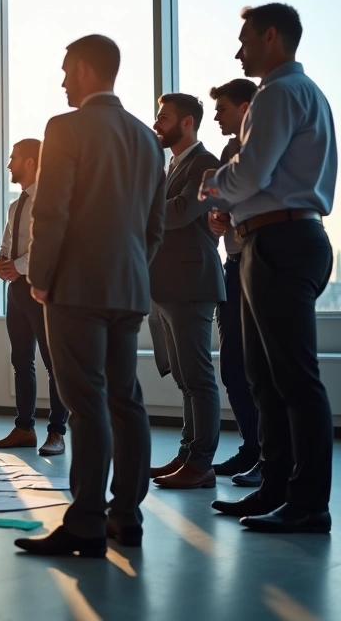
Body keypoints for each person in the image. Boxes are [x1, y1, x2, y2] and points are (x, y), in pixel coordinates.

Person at [15, 35, 165, 557]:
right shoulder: (148, 140)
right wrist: (130, 271)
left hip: (74, 286)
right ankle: (127, 516)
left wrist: (39, 275)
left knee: (86, 403)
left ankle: (84, 522)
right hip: (129, 287)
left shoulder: (65, 127)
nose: (61, 82)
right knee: (127, 402)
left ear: (81, 69)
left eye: (64, 70)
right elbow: (155, 226)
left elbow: (51, 211)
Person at [202, 4, 335, 534]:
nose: (239, 51)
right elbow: (265, 177)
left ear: (272, 37)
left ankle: (307, 503)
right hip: (279, 236)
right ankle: (276, 489)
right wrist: (233, 204)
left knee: (294, 381)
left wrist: (215, 183)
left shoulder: (277, 93)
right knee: (266, 377)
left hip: (280, 240)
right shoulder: (305, 94)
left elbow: (252, 170)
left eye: (246, 40)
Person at [148, 93, 224, 490]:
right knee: (182, 378)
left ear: (188, 122)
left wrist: (145, 204)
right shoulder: (171, 166)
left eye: (164, 117)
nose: (157, 123)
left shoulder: (207, 164)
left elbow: (179, 212)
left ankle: (201, 464)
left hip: (192, 282)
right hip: (166, 285)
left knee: (198, 377)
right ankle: (187, 454)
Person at [0, 139, 67, 456]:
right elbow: (7, 242)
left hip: (45, 287)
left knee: (55, 364)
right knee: (20, 361)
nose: (9, 165)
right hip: (17, 291)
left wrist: (17, 266)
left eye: (14, 158)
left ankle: (57, 433)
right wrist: (1, 262)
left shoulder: (50, 200)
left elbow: (52, 245)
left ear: (31, 162)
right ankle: (24, 429)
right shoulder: (15, 205)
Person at [206, 78, 262, 487]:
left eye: (222, 109)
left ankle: (273, 456)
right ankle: (253, 448)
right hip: (234, 262)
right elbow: (219, 203)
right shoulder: (228, 151)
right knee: (232, 367)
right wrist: (219, 216)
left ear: (245, 107)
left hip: (260, 258)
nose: (216, 116)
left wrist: (231, 210)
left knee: (263, 367)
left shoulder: (263, 145)